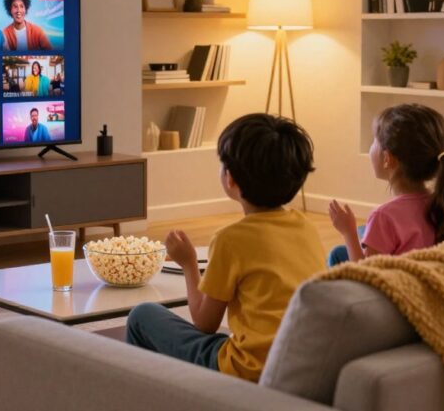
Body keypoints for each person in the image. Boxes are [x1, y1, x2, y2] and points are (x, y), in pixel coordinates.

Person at [126, 113, 326, 382]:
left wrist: (187, 263)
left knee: (142, 315)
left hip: (248, 371)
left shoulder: (230, 240)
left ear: (230, 179)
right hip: (296, 365)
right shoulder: (307, 228)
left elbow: (204, 323)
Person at [327, 104, 444, 265]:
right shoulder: (443, 204)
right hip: (426, 285)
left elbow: (366, 277)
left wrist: (349, 232)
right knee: (338, 253)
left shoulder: (383, 217)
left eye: (374, 141)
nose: (371, 147)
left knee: (337, 255)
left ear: (387, 159)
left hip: (397, 289)